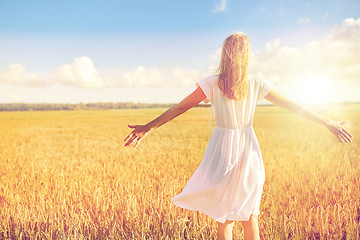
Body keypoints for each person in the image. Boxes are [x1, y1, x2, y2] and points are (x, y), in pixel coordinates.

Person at [124, 32, 353, 240]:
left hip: (222, 150)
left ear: (225, 54)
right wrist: (327, 121)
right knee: (249, 217)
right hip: (248, 151)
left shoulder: (212, 83)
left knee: (225, 219)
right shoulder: (256, 83)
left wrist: (150, 126)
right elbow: (293, 106)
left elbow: (181, 107)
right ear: (247, 56)